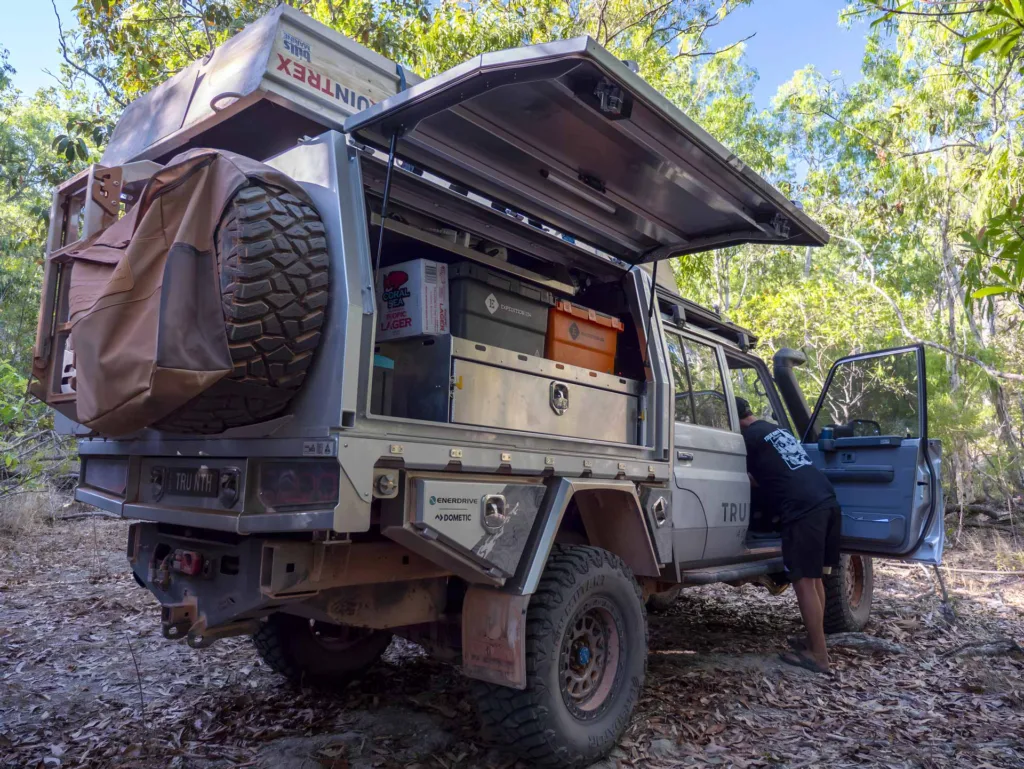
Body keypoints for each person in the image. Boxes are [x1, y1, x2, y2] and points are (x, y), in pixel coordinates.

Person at [736, 397, 841, 674]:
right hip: (826, 499)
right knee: (814, 576)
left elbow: (744, 476)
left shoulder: (746, 438)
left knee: (803, 582)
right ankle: (814, 640)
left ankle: (818, 656)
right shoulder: (776, 430)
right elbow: (773, 472)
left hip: (803, 509)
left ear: (736, 421)